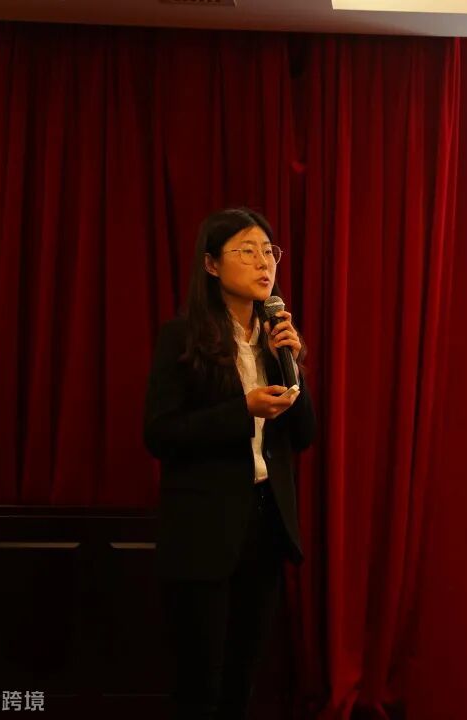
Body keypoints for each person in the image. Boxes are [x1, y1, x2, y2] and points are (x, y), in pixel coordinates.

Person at [143, 207, 315, 719]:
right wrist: (243, 411)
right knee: (201, 684)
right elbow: (160, 434)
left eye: (268, 251)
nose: (264, 263)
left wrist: (292, 362)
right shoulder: (182, 338)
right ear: (212, 265)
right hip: (204, 530)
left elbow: (303, 436)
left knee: (243, 678)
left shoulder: (274, 340)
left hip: (265, 524)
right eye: (246, 251)